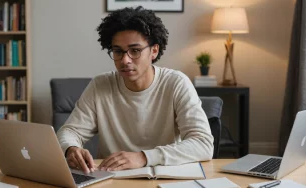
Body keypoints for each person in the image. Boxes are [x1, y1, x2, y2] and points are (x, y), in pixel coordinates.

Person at [56, 6, 214, 174]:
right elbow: (69, 131)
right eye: (118, 51)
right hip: (111, 179)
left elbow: (203, 144)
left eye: (135, 51)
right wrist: (71, 148)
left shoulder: (176, 83)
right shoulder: (100, 85)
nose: (125, 60)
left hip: (164, 177)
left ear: (154, 51)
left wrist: (143, 157)